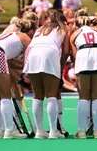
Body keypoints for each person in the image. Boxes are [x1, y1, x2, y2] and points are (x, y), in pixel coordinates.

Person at [0, 20, 36, 139]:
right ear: (30, 30)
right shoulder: (25, 38)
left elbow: (14, 62)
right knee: (5, 95)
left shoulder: (7, 35)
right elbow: (30, 58)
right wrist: (26, 74)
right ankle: (9, 130)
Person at [23, 11, 70, 139]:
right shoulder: (64, 28)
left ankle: (40, 131)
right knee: (51, 94)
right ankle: (54, 131)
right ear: (63, 21)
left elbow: (29, 47)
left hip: (32, 55)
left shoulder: (40, 29)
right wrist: (60, 67)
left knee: (37, 95)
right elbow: (66, 52)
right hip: (50, 53)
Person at [70, 16, 97, 139]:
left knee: (83, 96)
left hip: (83, 55)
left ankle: (81, 131)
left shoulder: (74, 34)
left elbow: (74, 55)